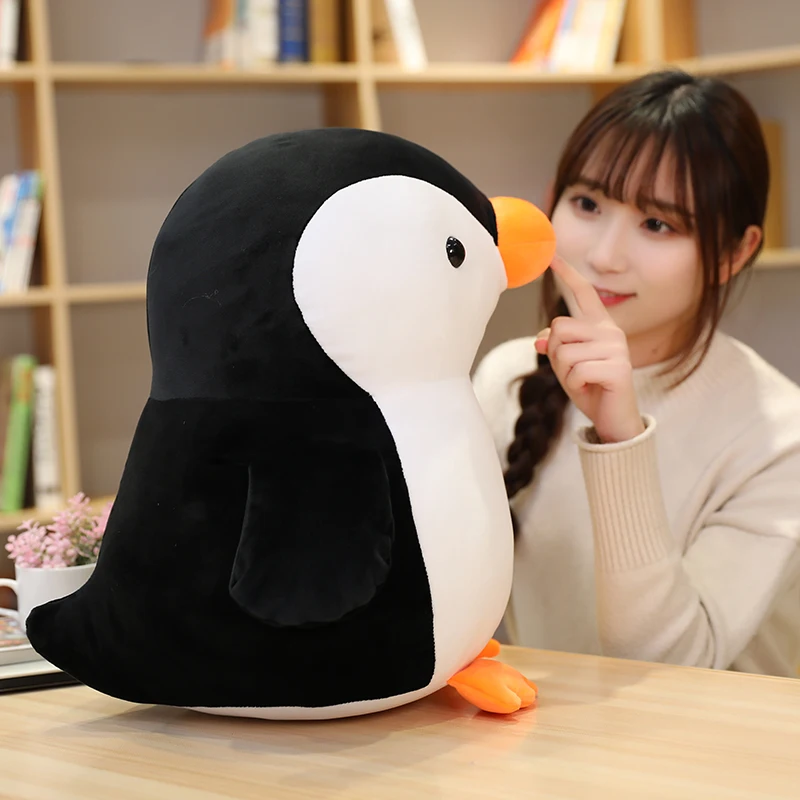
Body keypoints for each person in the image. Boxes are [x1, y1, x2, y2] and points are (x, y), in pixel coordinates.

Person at [472, 68, 800, 677]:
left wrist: (620, 438)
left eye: (658, 224)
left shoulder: (781, 438)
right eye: (587, 204)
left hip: (709, 737)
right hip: (542, 732)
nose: (603, 255)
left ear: (734, 253)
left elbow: (673, 669)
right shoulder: (505, 377)